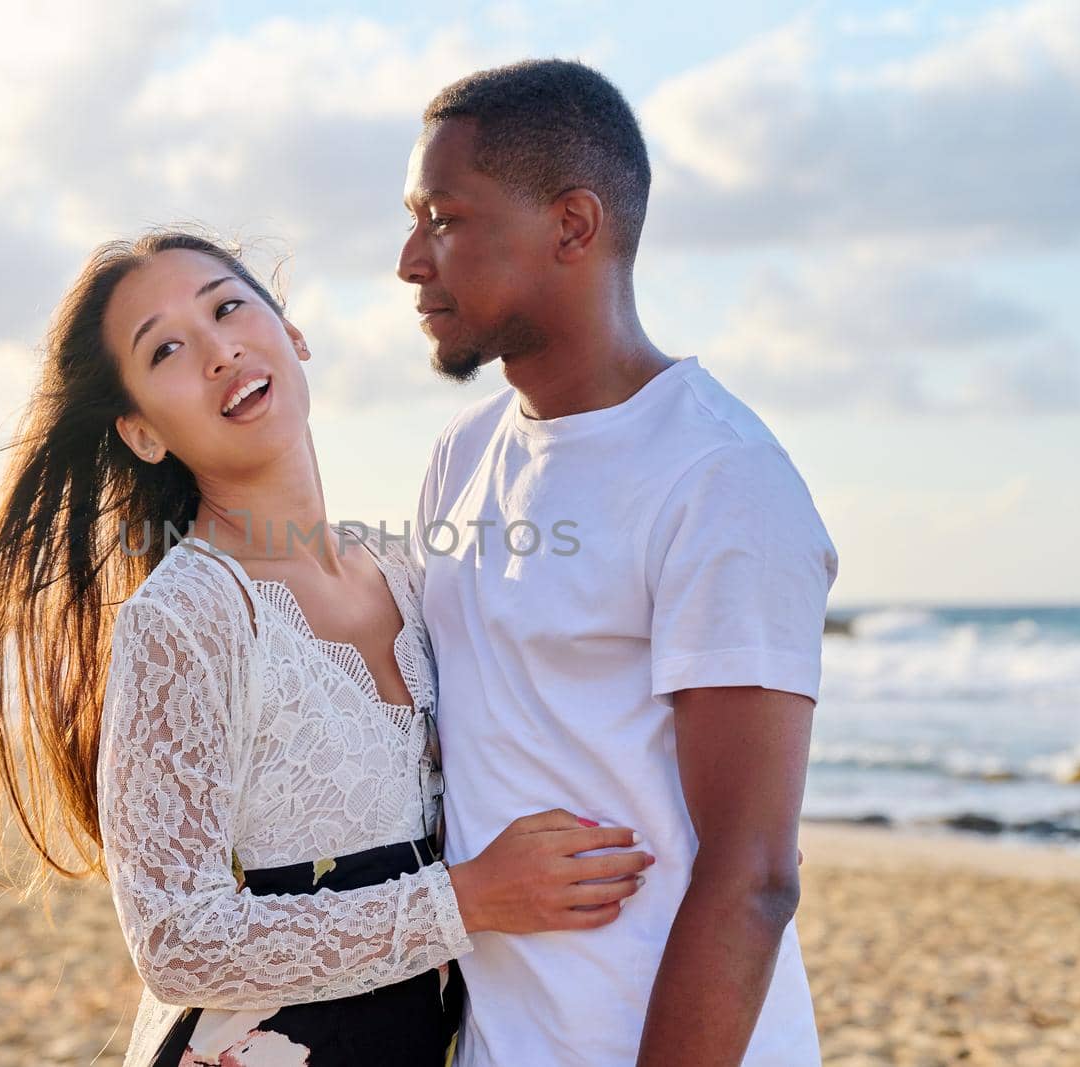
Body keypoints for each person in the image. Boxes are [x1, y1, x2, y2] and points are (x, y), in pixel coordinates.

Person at [0, 230, 653, 1067]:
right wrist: (470, 900)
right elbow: (175, 939)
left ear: (292, 336)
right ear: (140, 431)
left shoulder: (406, 573)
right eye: (165, 349)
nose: (218, 350)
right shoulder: (185, 619)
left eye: (226, 308)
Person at [398, 61, 839, 1066]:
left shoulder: (720, 478)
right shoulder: (461, 457)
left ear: (573, 225)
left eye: (445, 219)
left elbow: (755, 871)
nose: (410, 260)